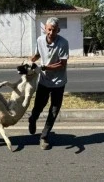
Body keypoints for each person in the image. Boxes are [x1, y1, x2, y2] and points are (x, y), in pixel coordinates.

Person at [29, 17, 69, 150]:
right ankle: (33, 119)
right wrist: (31, 60)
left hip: (58, 82)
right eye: (49, 29)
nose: (51, 33)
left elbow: (62, 64)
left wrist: (44, 67)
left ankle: (44, 137)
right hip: (44, 81)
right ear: (45, 29)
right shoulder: (40, 40)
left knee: (54, 110)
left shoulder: (63, 43)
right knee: (39, 106)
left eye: (54, 30)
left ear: (58, 30)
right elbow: (38, 54)